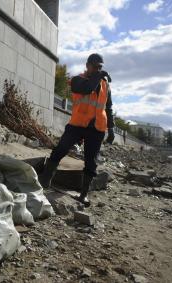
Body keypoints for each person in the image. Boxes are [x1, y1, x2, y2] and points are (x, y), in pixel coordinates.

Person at [39, 53, 115, 206]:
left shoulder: (105, 85)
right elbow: (87, 89)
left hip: (97, 128)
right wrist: (98, 76)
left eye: (100, 67)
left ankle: (84, 194)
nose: (97, 69)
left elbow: (108, 107)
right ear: (87, 65)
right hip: (77, 125)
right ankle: (45, 182)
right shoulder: (77, 80)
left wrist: (111, 128)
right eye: (95, 66)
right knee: (60, 150)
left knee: (91, 161)